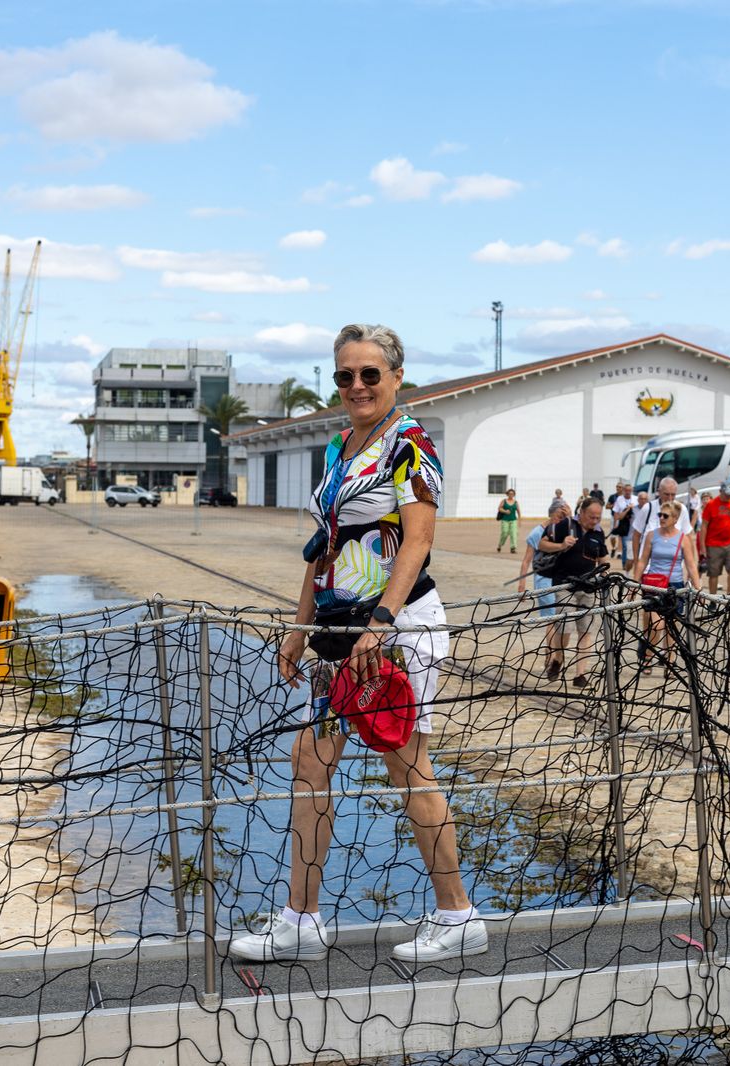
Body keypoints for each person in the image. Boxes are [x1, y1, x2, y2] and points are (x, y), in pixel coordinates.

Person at [230, 323, 486, 965]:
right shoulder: (339, 447)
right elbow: (324, 547)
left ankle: (458, 916)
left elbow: (418, 540)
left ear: (396, 377)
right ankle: (301, 921)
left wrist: (382, 622)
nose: (357, 386)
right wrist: (299, 627)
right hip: (338, 634)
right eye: (345, 375)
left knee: (406, 763)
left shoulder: (410, 443)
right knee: (311, 761)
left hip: (395, 632)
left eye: (370, 374)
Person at [540, 497, 610, 686]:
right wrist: (562, 545)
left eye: (598, 517)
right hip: (565, 586)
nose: (594, 521)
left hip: (588, 587)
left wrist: (605, 574)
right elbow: (542, 544)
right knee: (565, 627)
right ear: (582, 512)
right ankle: (557, 658)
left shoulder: (598, 532)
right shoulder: (566, 525)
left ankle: (580, 675)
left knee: (586, 630)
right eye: (591, 517)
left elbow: (603, 558)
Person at [631, 498, 700, 658]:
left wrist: (697, 587)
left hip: (675, 585)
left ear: (675, 519)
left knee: (672, 628)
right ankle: (648, 656)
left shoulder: (683, 538)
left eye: (665, 516)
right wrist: (634, 584)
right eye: (660, 515)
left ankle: (670, 662)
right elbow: (642, 561)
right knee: (657, 625)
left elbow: (691, 565)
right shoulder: (651, 535)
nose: (661, 518)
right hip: (654, 585)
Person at [519, 498, 572, 619]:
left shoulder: (565, 530)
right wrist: (522, 584)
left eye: (564, 518)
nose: (561, 521)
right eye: (559, 517)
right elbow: (526, 561)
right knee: (551, 617)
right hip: (544, 580)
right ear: (551, 514)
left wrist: (570, 518)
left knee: (562, 617)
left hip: (562, 578)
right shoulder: (537, 533)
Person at [630, 477, 693, 566]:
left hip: (673, 568)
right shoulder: (648, 508)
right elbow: (636, 535)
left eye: (673, 494)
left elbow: (688, 536)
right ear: (659, 492)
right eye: (666, 494)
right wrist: (636, 561)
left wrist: (691, 565)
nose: (670, 498)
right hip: (648, 567)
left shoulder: (682, 509)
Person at [699, 483, 730, 595]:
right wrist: (702, 546)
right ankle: (713, 598)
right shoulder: (711, 505)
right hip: (713, 544)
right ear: (720, 492)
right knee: (713, 573)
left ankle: (729, 594)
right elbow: (704, 526)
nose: (729, 497)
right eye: (726, 494)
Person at [610, 481, 635, 567]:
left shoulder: (635, 499)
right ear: (624, 490)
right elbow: (615, 512)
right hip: (624, 525)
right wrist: (615, 524)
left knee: (633, 545)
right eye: (626, 490)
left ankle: (632, 561)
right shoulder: (619, 499)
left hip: (634, 525)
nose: (628, 492)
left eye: (629, 490)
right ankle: (625, 563)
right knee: (625, 545)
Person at [496, 488, 520, 554]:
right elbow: (499, 508)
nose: (511, 495)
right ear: (507, 494)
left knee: (513, 533)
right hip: (505, 520)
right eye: (510, 494)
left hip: (513, 520)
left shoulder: (516, 502)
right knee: (505, 532)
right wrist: (505, 511)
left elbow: (518, 511)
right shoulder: (504, 501)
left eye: (512, 494)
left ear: (514, 495)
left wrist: (519, 520)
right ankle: (500, 545)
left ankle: (513, 548)